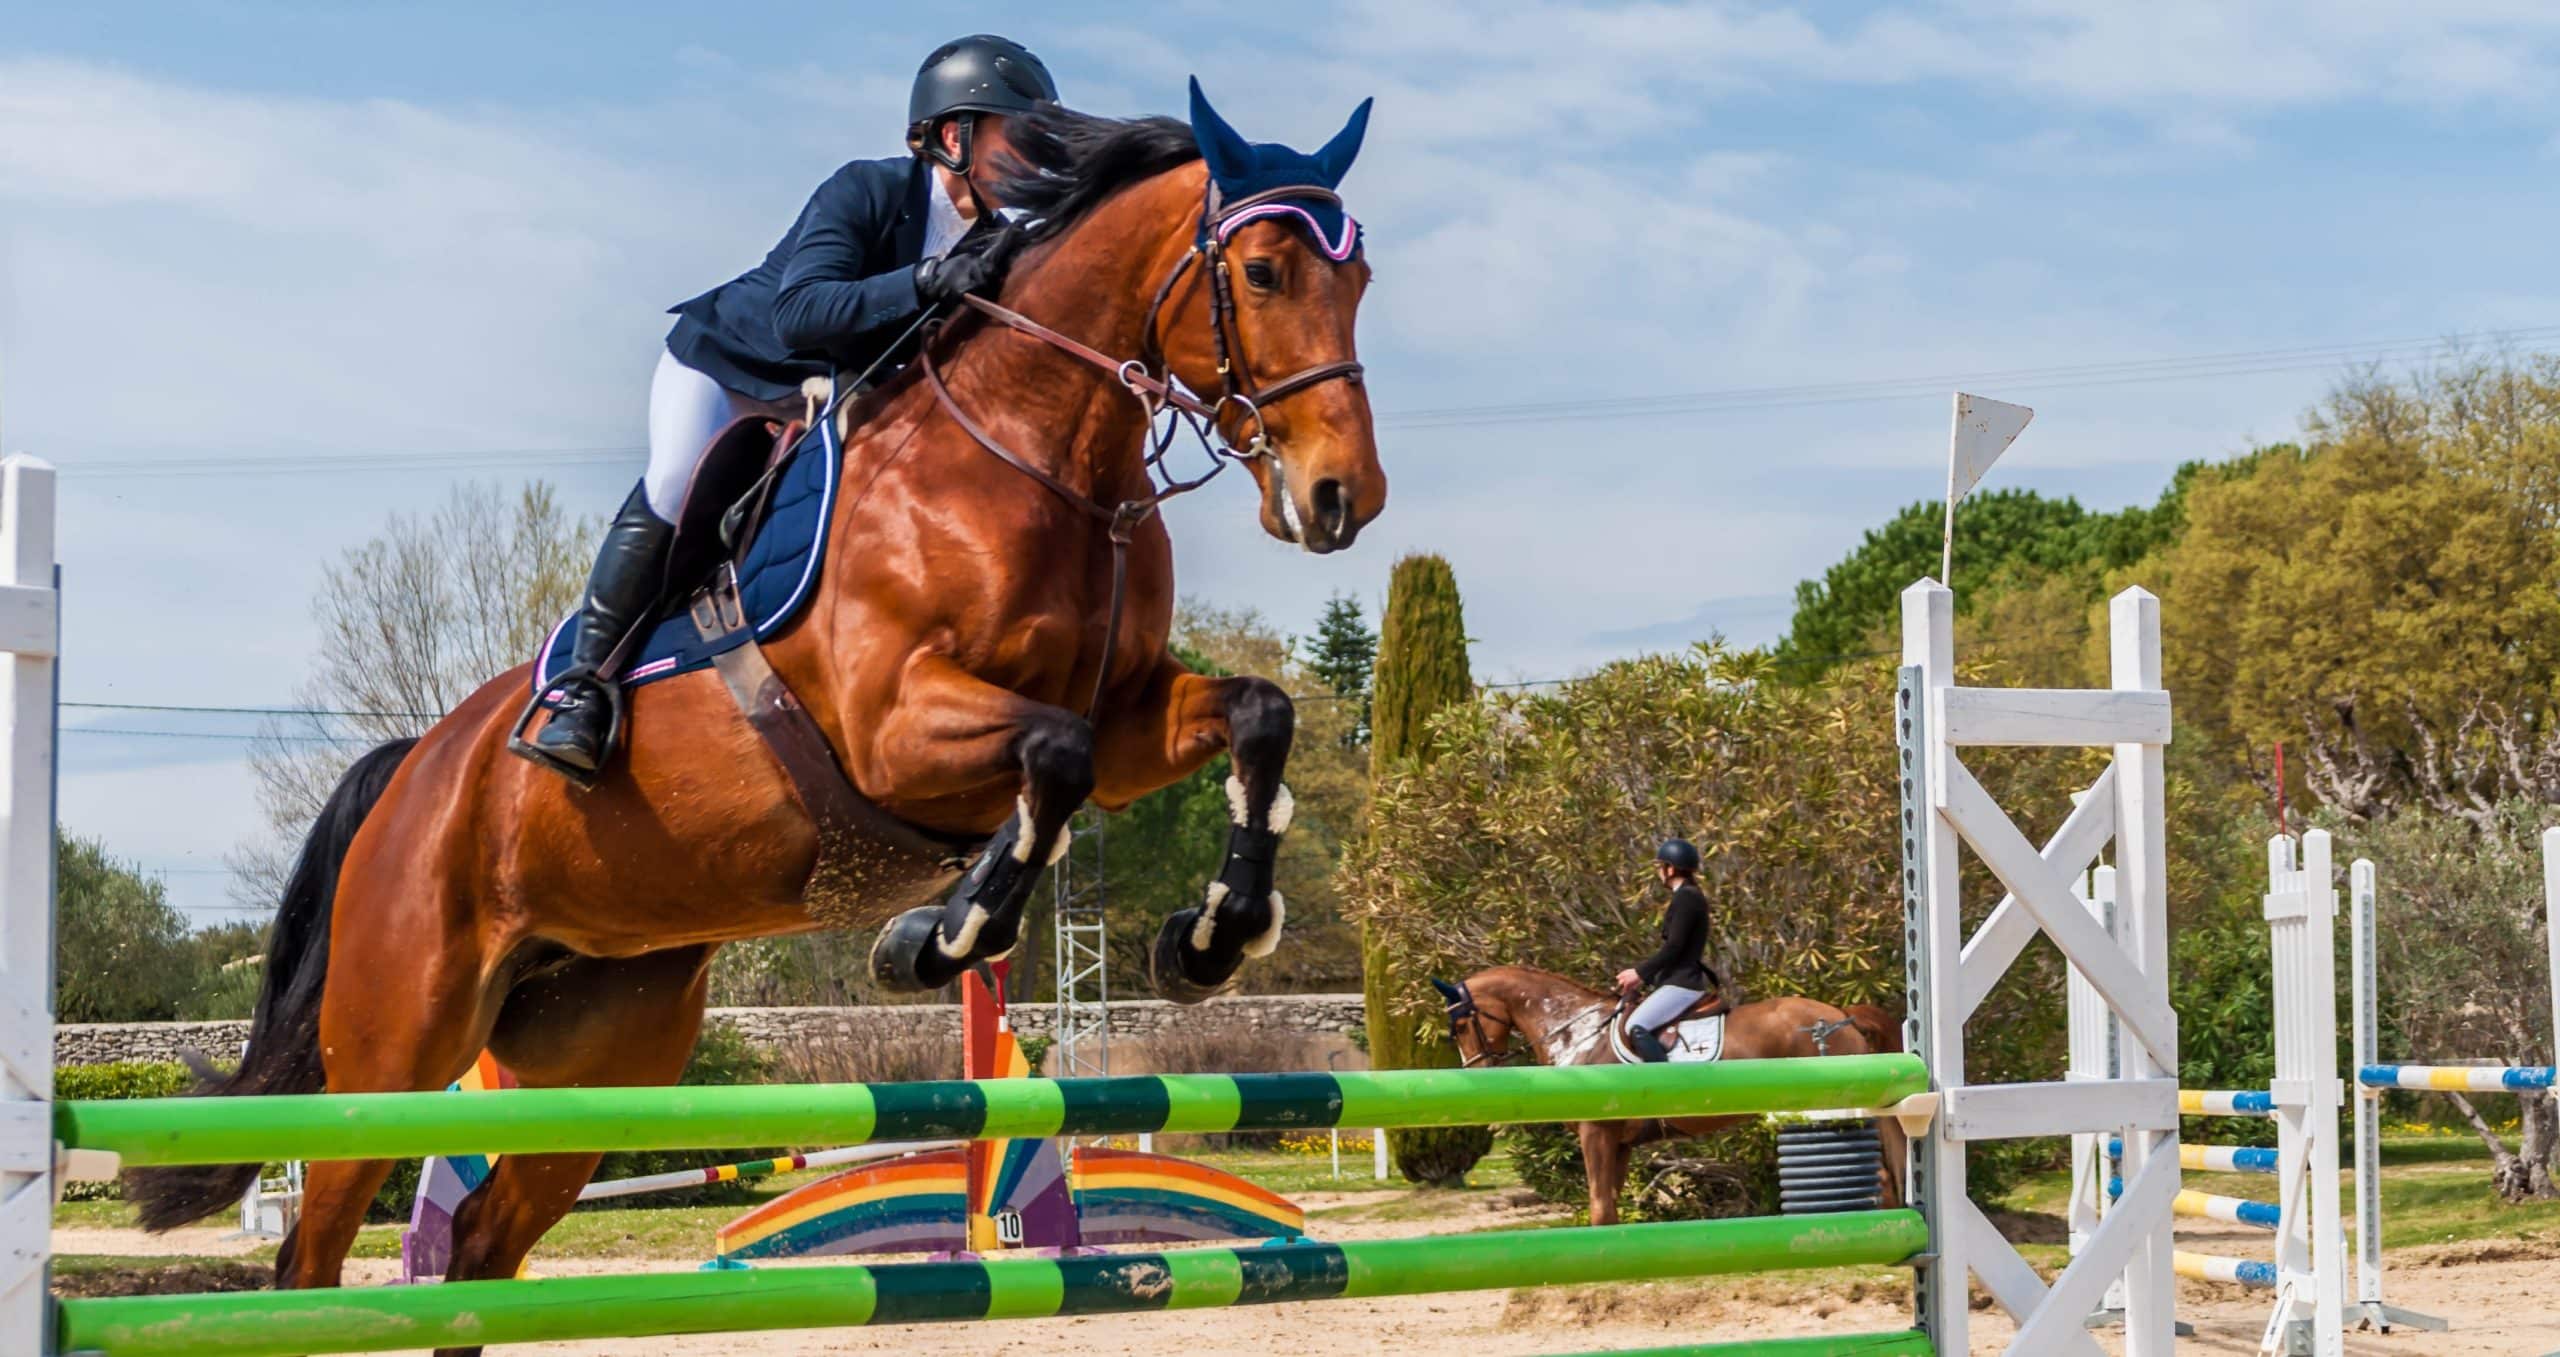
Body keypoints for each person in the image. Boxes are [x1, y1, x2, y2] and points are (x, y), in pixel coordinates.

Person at [521, 34, 1060, 777]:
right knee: (679, 484)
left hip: (829, 402)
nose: (1033, 161)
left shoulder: (997, 242)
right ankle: (583, 689)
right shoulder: (867, 190)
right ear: (951, 135)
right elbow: (800, 313)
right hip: (731, 366)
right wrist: (928, 280)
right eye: (1018, 139)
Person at [1616, 837, 1719, 1062]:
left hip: (1683, 983)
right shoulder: (1689, 895)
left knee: (1636, 1026)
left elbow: (1674, 946)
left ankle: (1670, 1087)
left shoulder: (1686, 897)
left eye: (1661, 867)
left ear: (1670, 869)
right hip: (1676, 980)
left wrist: (1639, 973)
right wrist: (1646, 979)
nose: (1659, 872)